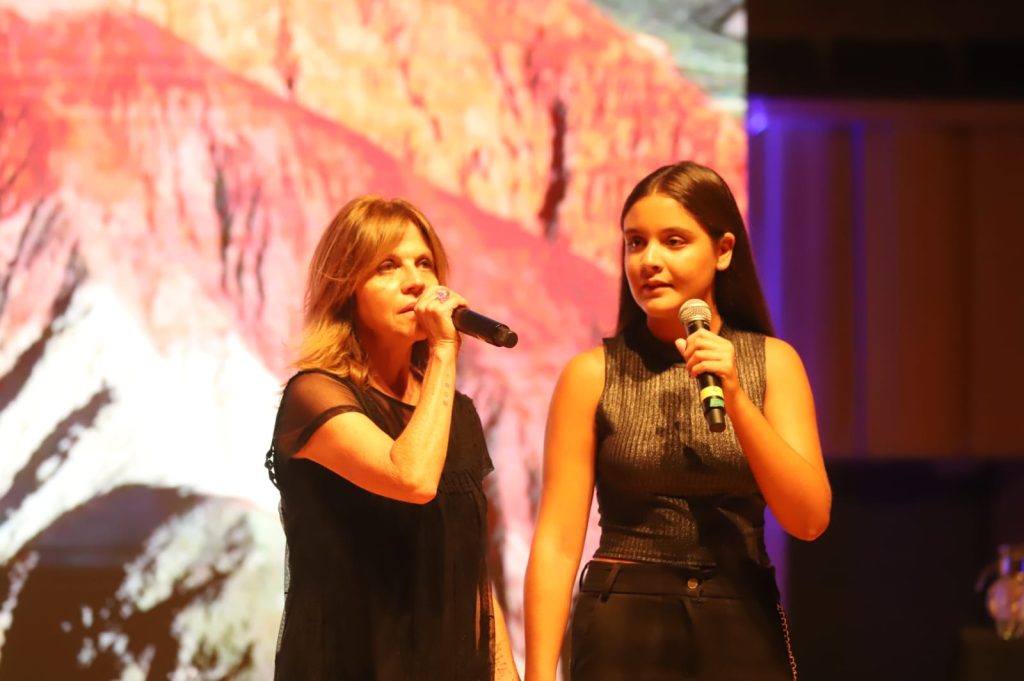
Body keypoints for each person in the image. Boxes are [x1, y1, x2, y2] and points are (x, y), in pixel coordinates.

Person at [523, 161, 832, 681]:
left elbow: (809, 519)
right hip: (624, 621)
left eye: (674, 241)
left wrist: (736, 398)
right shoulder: (590, 375)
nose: (650, 260)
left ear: (724, 250)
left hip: (740, 616)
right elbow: (556, 541)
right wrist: (537, 674)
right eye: (635, 243)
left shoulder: (773, 364)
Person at [264, 195, 519, 680]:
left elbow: (472, 576)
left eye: (424, 263)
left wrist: (507, 674)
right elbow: (411, 478)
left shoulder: (455, 413)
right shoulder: (314, 396)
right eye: (387, 266)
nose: (416, 281)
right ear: (347, 287)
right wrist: (444, 348)